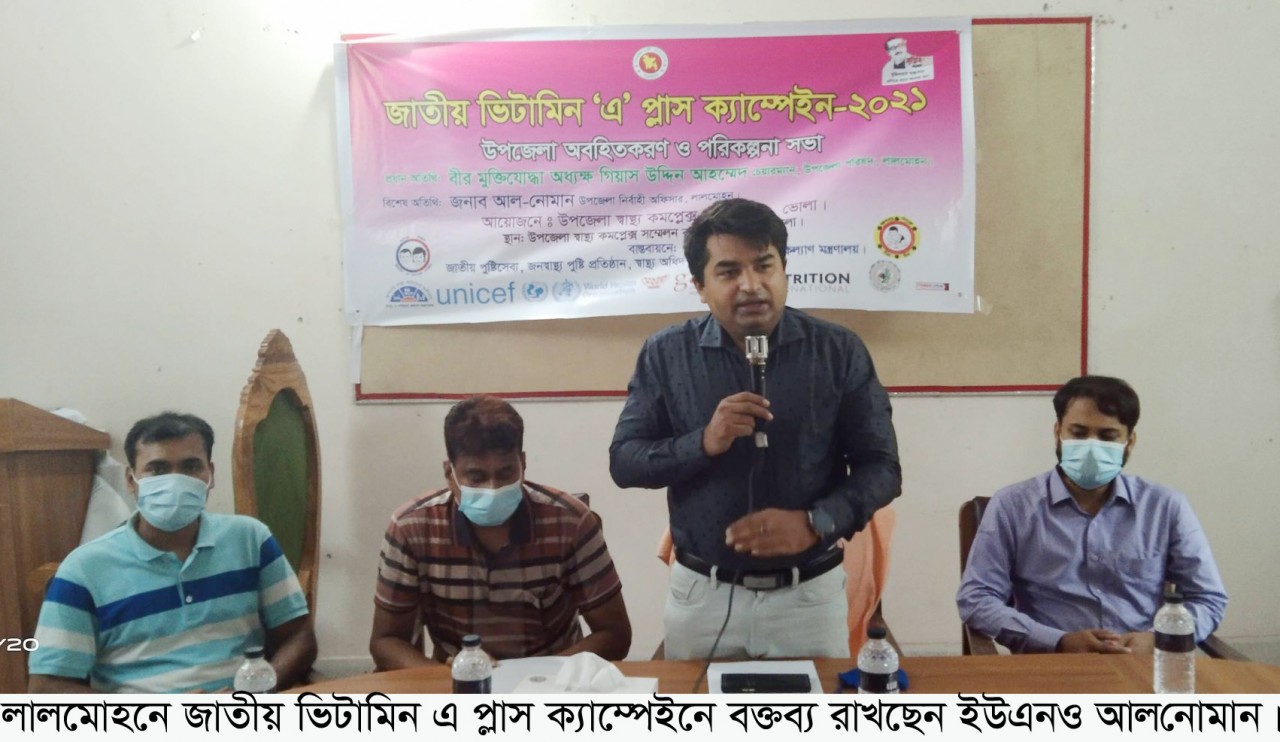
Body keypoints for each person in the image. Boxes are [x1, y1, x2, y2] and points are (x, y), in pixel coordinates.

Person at [609, 197, 901, 659]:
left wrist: (817, 522)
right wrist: (704, 442)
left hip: (809, 597)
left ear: (784, 270)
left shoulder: (837, 351)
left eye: (764, 266)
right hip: (702, 596)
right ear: (700, 287)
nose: (751, 285)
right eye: (728, 272)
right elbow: (625, 462)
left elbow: (883, 468)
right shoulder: (667, 354)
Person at [28, 412, 316, 693]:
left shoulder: (251, 540)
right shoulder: (84, 569)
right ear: (131, 480)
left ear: (210, 475)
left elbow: (299, 637)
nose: (175, 481)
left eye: (191, 467)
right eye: (158, 469)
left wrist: (256, 691)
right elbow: (47, 688)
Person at [956, 376, 1228, 654]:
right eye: (1078, 432)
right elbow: (977, 598)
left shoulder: (1166, 507)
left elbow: (1208, 598)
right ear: (1058, 432)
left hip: (1143, 664)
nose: (1091, 446)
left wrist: (1160, 638)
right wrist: (1058, 641)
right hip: (1050, 663)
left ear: (1129, 442)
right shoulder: (1012, 505)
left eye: (1107, 436)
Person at [370, 396, 631, 667]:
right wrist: (449, 676)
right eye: (477, 477)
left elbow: (615, 635)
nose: (493, 488)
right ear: (449, 473)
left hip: (552, 678)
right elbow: (386, 641)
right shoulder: (411, 528)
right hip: (456, 678)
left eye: (506, 473)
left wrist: (538, 675)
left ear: (523, 464)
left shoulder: (571, 523)